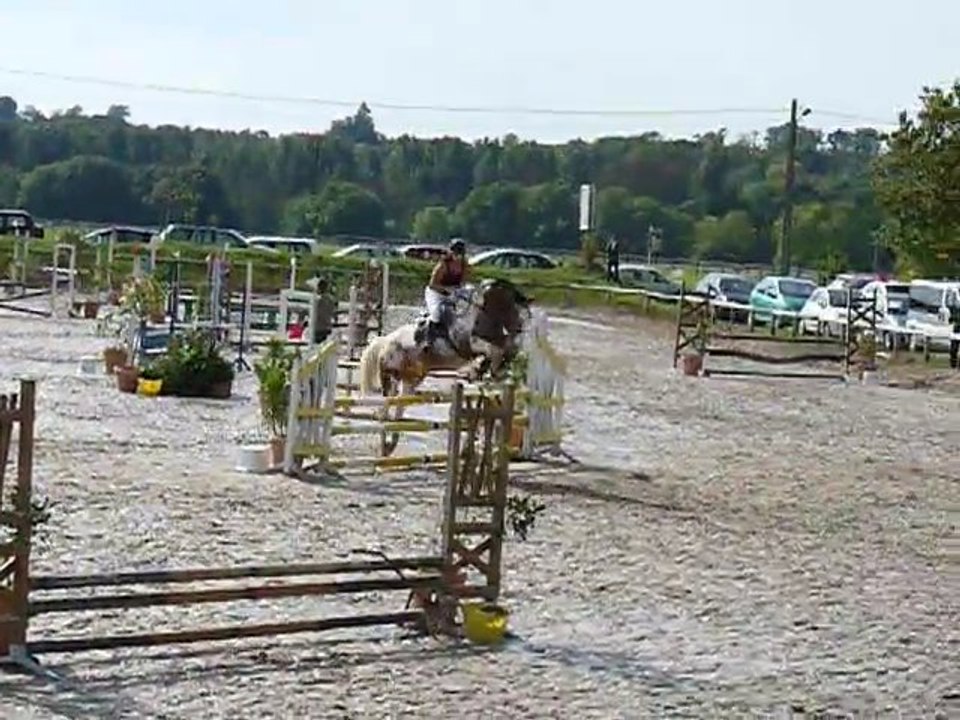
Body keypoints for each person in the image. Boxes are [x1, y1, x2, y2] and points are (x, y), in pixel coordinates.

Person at [422, 238, 469, 346]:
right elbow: (432, 284)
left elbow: (462, 282)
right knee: (436, 314)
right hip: (435, 293)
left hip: (452, 294)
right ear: (451, 252)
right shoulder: (443, 265)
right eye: (456, 253)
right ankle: (428, 341)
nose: (458, 256)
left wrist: (462, 290)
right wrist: (446, 289)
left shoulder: (464, 265)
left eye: (460, 254)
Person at [311, 276, 336, 345]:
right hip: (327, 326)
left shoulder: (317, 300)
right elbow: (333, 311)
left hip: (318, 327)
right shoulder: (331, 299)